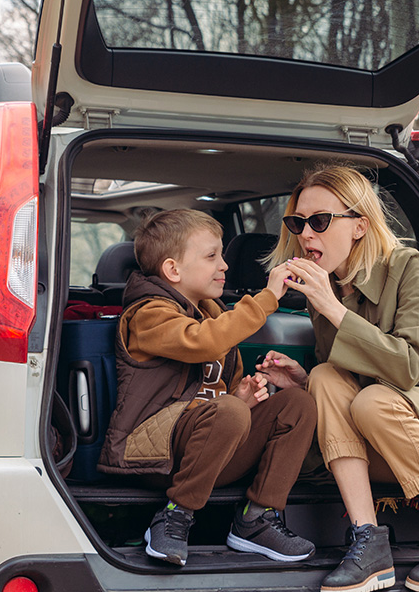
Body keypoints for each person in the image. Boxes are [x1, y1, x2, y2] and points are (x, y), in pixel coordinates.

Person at [255, 165, 419, 592]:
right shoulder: (328, 290)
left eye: (319, 221)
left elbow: (406, 368)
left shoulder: (411, 268)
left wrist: (334, 309)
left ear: (360, 226)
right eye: (297, 223)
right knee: (325, 376)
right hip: (389, 426)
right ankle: (367, 540)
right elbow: (346, 379)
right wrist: (302, 384)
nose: (305, 235)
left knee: (372, 401)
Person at [98, 209, 318, 567]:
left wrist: (243, 397)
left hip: (209, 453)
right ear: (173, 270)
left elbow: (222, 391)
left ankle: (256, 518)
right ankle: (174, 517)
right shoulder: (148, 314)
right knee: (229, 411)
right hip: (157, 458)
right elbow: (201, 343)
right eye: (212, 256)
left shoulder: (214, 314)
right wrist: (267, 298)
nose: (225, 266)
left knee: (298, 404)